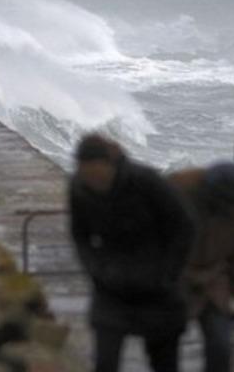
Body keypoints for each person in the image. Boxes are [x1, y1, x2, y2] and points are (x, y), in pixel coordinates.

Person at [68, 134, 195, 372]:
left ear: (109, 164)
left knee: (164, 363)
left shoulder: (145, 181)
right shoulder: (80, 188)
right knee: (105, 362)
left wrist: (168, 273)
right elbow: (80, 235)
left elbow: (184, 227)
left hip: (157, 288)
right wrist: (95, 269)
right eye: (86, 174)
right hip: (112, 287)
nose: (93, 181)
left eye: (97, 174)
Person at [169, 162, 234, 372]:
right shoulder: (180, 192)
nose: (232, 211)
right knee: (166, 344)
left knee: (220, 344)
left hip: (215, 278)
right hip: (176, 276)